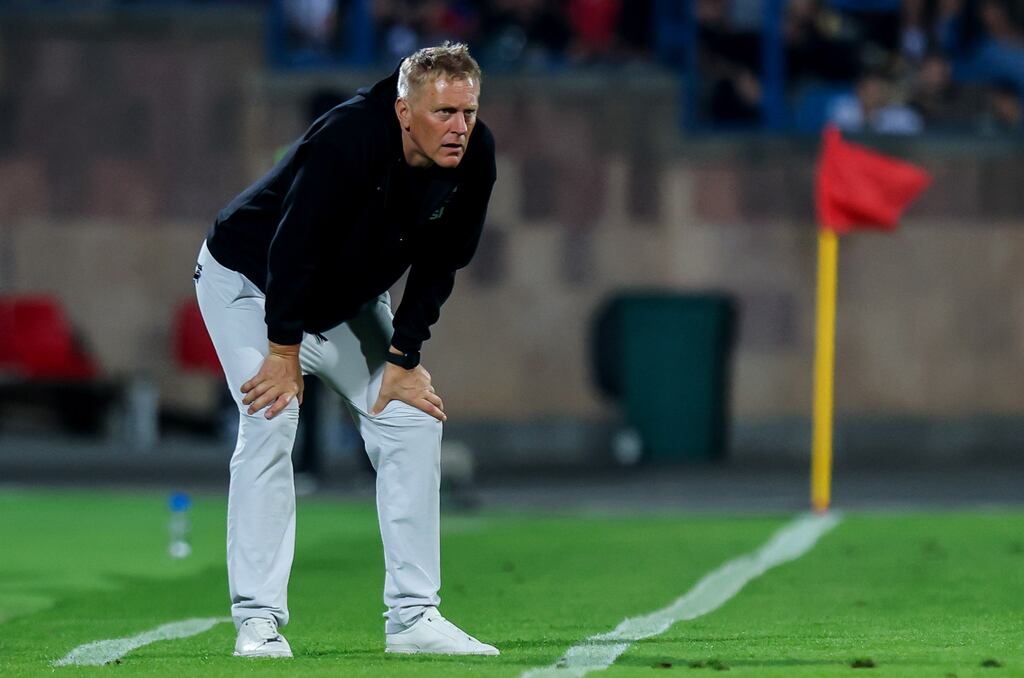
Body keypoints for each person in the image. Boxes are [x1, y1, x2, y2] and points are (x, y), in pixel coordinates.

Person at [193, 42, 498, 658]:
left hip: (347, 302)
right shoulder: (348, 139)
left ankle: (414, 618)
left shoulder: (475, 155)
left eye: (467, 112)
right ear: (403, 109)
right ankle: (257, 620)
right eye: (444, 112)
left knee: (412, 421)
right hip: (252, 286)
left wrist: (403, 358)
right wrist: (282, 352)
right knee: (271, 417)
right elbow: (293, 246)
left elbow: (440, 264)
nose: (460, 128)